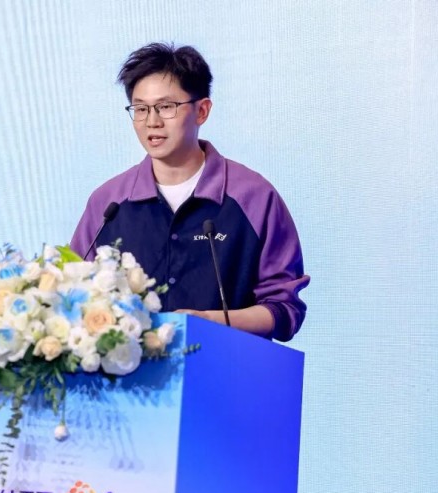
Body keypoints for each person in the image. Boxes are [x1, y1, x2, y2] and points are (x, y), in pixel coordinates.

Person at [70, 42, 309, 342]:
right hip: (131, 371)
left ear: (202, 111)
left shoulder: (255, 197)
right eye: (141, 109)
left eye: (166, 107)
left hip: (225, 367)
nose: (152, 122)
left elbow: (284, 310)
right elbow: (72, 294)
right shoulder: (108, 203)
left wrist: (209, 322)